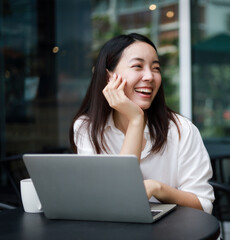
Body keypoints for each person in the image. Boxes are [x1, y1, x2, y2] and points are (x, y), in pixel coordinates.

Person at [69, 33, 214, 214]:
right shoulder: (87, 128)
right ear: (108, 77)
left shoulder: (181, 130)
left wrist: (157, 188)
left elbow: (203, 205)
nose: (149, 76)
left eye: (155, 68)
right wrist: (136, 119)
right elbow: (119, 200)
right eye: (137, 66)